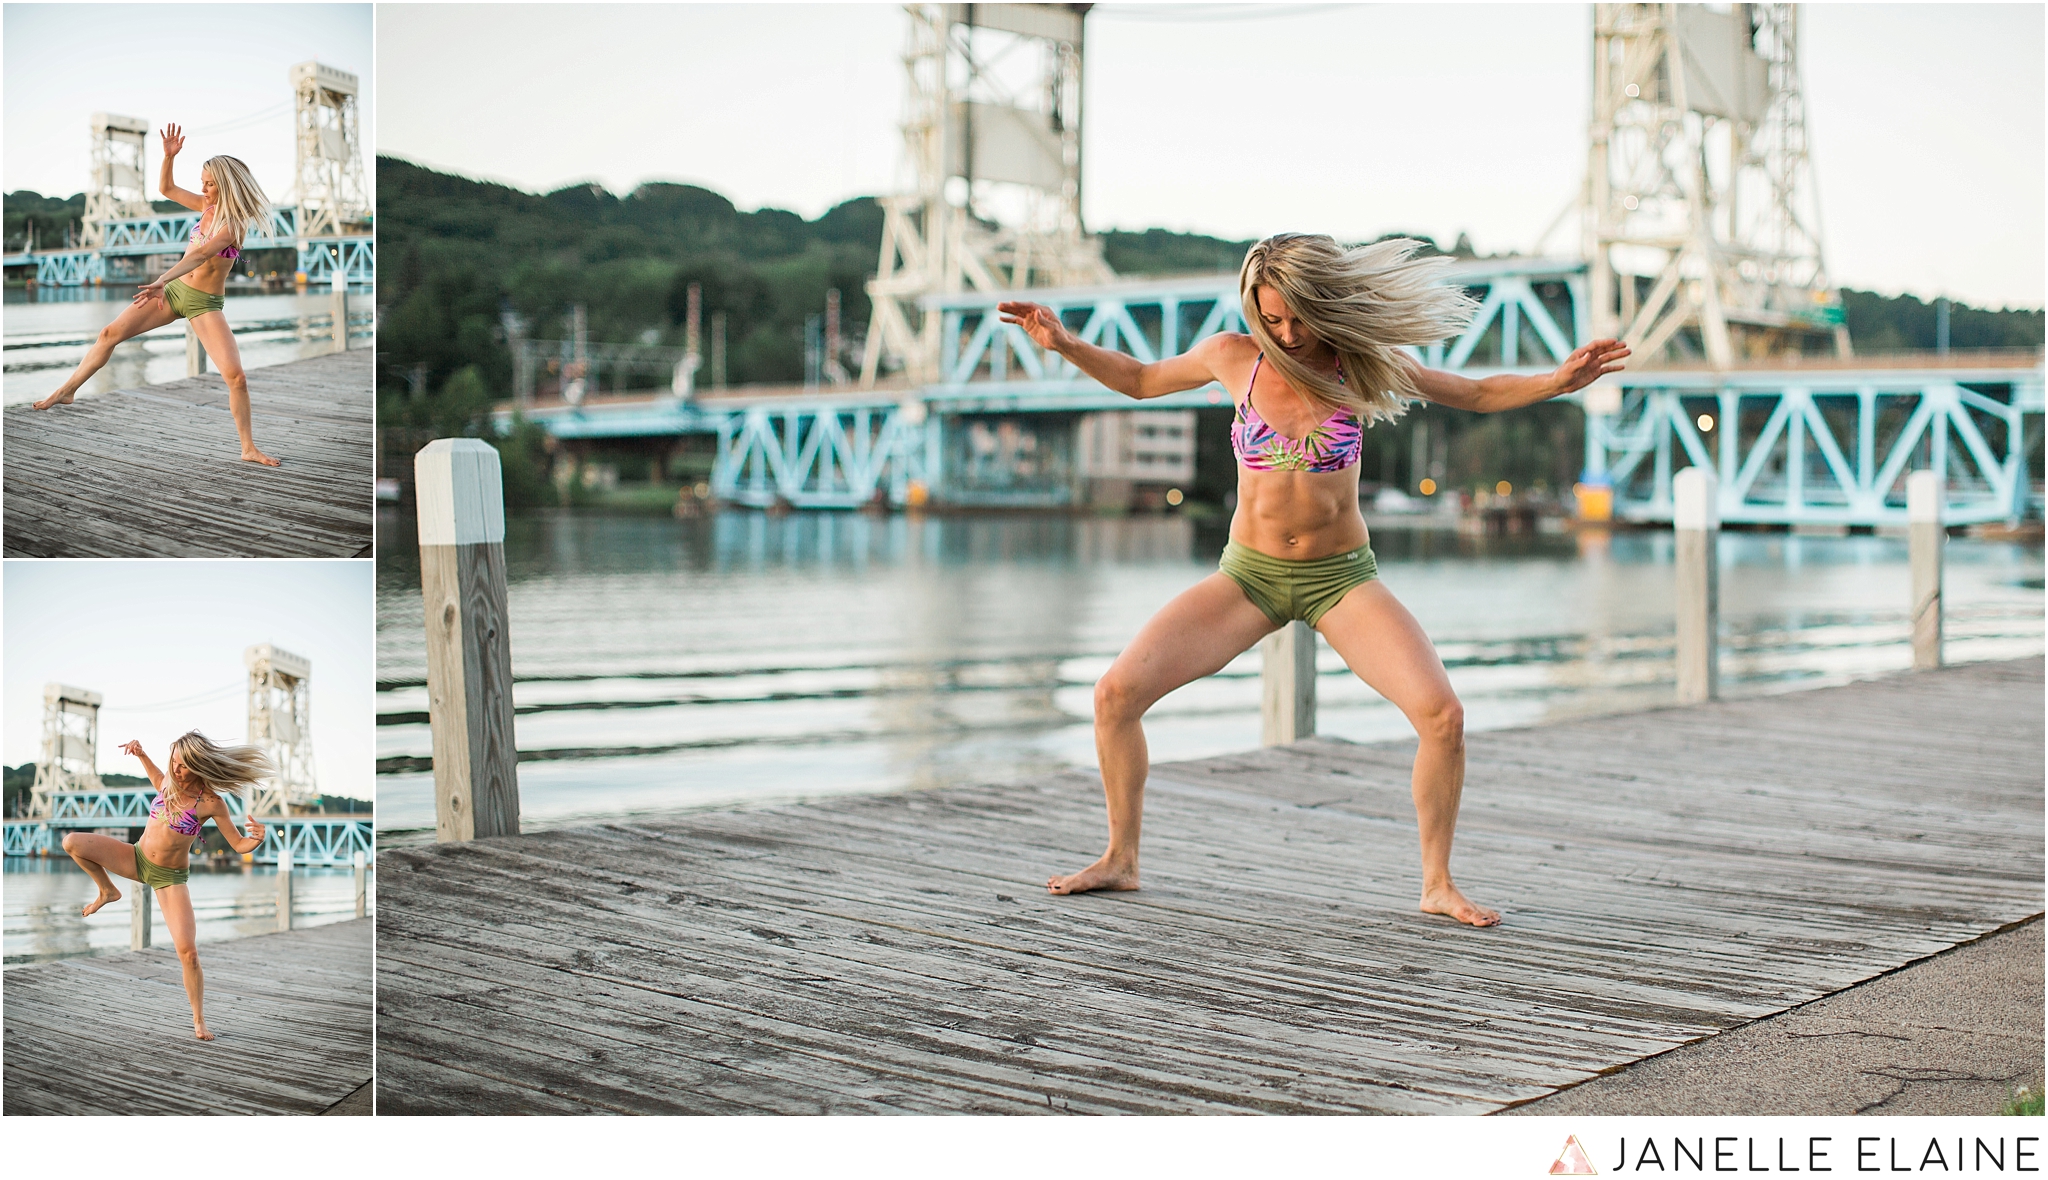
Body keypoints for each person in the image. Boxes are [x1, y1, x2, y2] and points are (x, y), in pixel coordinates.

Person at [998, 232, 1629, 926]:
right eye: (1272, 318)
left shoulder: (1363, 367)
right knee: (1115, 694)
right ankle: (1121, 858)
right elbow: (1142, 380)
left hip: (1340, 579)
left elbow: (1474, 392)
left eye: (1298, 316)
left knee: (1442, 717)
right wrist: (1064, 345)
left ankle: (1437, 884)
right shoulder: (1230, 357)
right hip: (1249, 579)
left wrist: (1555, 383)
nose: (1287, 333)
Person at [32, 123, 282, 467]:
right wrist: (168, 157)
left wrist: (161, 278)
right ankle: (67, 390)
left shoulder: (235, 223)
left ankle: (248, 448)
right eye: (203, 183)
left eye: (210, 184)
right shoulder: (205, 207)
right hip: (174, 290)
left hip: (203, 304)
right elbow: (165, 188)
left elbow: (199, 255)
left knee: (236, 377)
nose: (204, 190)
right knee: (109, 334)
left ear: (225, 184)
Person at [61, 731, 274, 1040]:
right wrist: (140, 753)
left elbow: (239, 844)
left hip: (169, 878)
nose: (176, 770)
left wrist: (256, 838)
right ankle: (107, 890)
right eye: (174, 761)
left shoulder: (212, 802)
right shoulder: (166, 784)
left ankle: (199, 1020)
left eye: (184, 765)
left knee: (188, 953)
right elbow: (157, 774)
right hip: (135, 858)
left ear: (199, 765)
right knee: (71, 842)